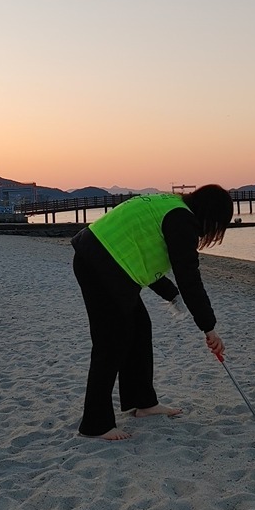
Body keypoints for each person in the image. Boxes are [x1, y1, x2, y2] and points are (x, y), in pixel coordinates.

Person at [71, 184, 234, 441]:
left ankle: (144, 403)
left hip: (101, 258)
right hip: (101, 265)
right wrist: (208, 327)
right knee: (110, 343)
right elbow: (189, 277)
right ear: (210, 216)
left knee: (138, 328)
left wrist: (170, 294)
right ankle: (95, 424)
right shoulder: (182, 220)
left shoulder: (169, 205)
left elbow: (140, 251)